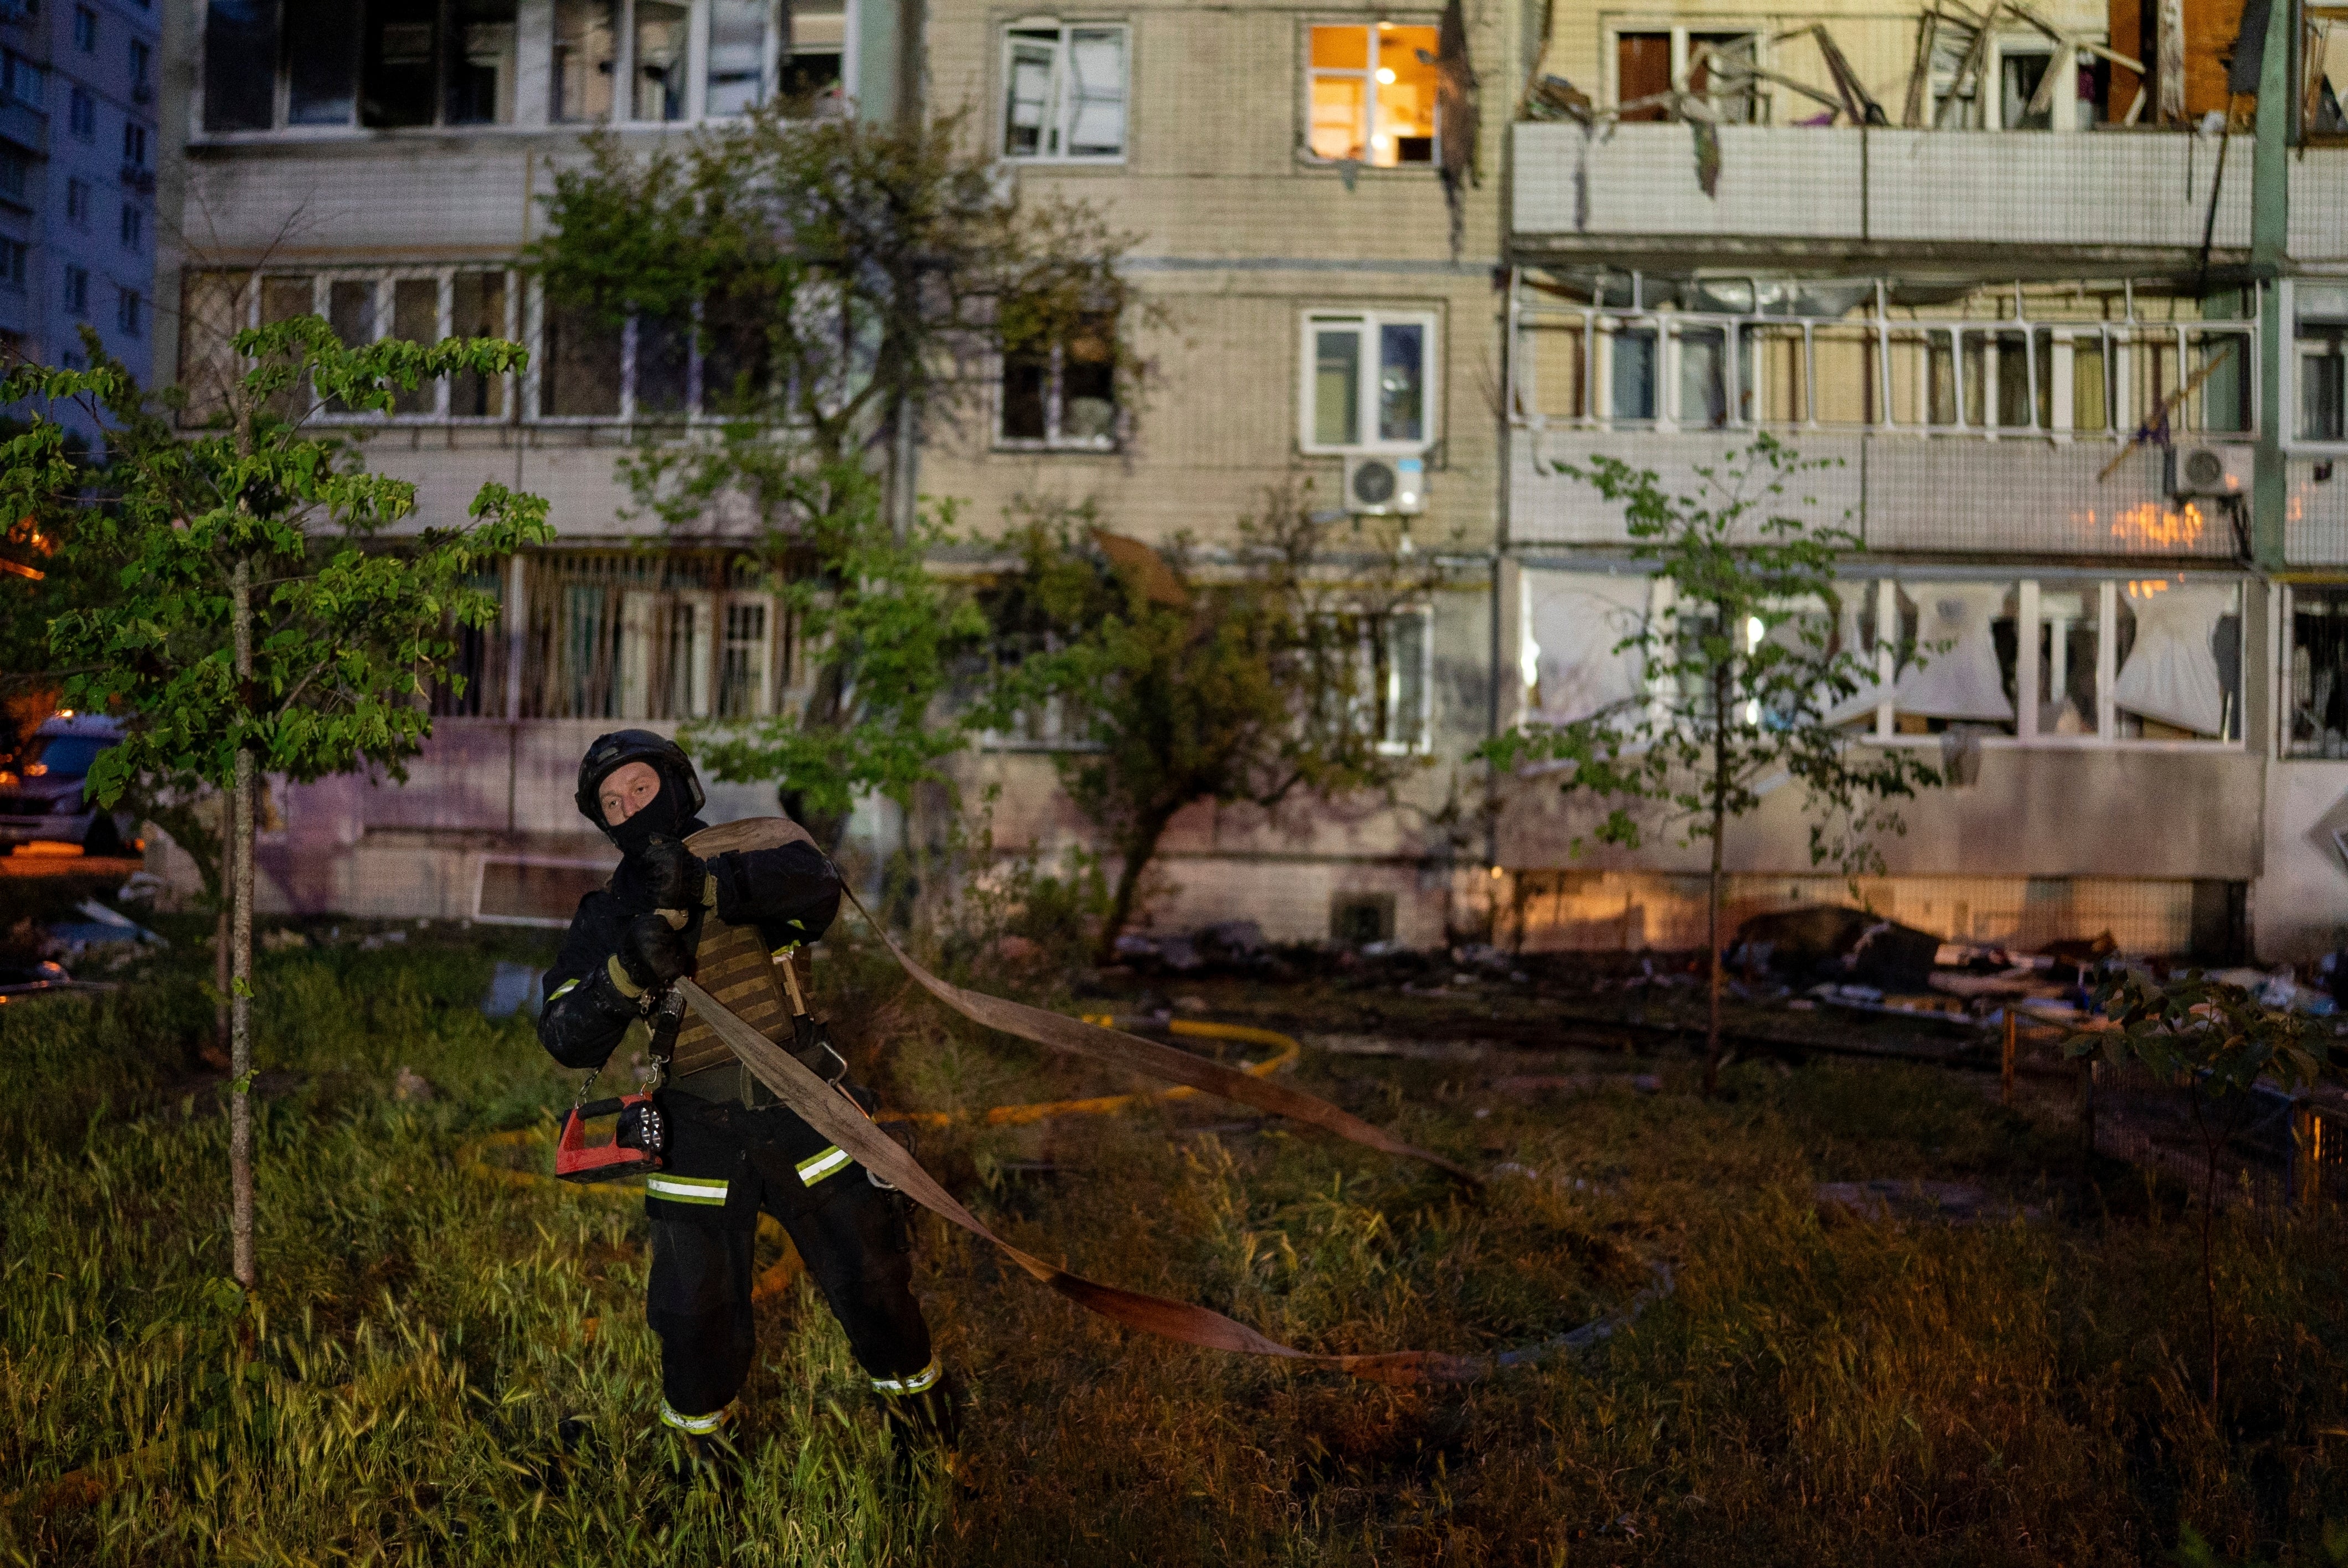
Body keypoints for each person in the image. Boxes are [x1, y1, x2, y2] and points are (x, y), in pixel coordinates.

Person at [537, 730, 956, 1477]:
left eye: (639, 788)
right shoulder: (608, 913)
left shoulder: (751, 852)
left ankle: (928, 1451)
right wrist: (627, 973)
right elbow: (564, 1032)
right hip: (694, 1131)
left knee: (874, 1284)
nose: (629, 807)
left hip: (805, 1111)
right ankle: (707, 1483)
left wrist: (707, 887)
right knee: (693, 1319)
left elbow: (818, 889)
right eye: (612, 802)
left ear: (676, 786)